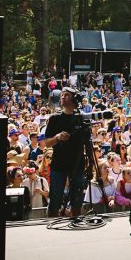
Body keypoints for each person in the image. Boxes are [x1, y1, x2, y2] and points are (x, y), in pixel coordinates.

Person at [43, 87, 88, 218]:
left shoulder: (82, 119)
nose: (63, 97)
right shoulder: (54, 119)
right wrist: (57, 137)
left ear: (74, 99)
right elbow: (46, 143)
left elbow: (87, 141)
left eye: (67, 95)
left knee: (77, 202)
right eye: (62, 95)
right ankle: (51, 224)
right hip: (58, 165)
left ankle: (76, 222)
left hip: (77, 164)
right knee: (55, 201)